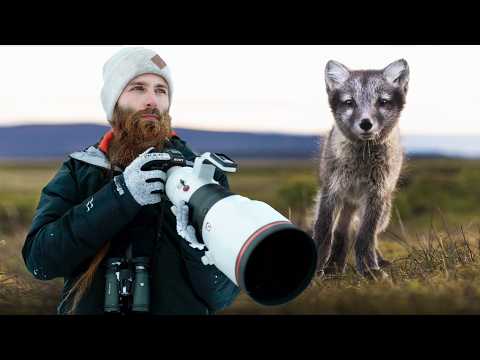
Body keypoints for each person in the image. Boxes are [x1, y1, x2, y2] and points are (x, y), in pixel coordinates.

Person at [21, 47, 240, 315]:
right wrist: (120, 195)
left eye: (161, 90)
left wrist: (197, 250)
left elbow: (220, 297)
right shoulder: (81, 169)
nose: (152, 100)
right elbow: (40, 261)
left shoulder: (201, 176)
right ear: (114, 101)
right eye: (138, 88)